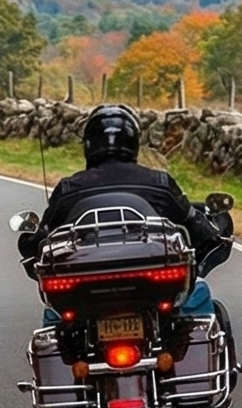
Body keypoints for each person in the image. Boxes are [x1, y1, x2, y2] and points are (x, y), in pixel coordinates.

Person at [27, 105, 229, 320]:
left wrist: (29, 243)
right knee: (198, 293)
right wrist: (209, 232)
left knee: (55, 314)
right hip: (154, 288)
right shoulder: (158, 182)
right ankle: (203, 349)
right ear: (134, 142)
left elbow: (42, 240)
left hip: (85, 292)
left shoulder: (68, 188)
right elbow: (194, 225)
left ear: (88, 143)